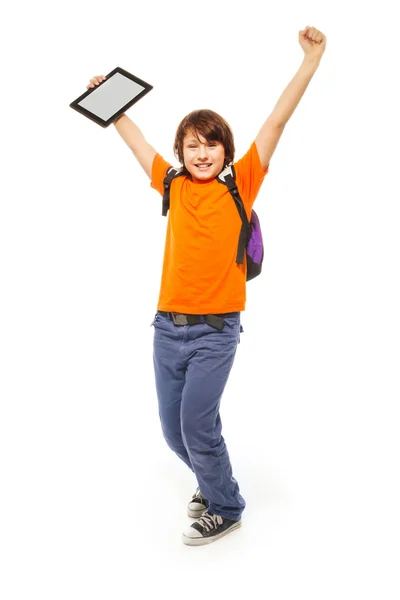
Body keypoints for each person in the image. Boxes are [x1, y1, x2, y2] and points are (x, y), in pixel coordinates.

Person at [87, 26, 327, 546]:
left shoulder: (242, 182)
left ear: (226, 150)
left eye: (211, 144)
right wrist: (108, 101)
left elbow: (277, 121)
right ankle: (209, 480)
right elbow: (134, 141)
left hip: (216, 332)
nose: (201, 153)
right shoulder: (169, 183)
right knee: (173, 431)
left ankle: (226, 504)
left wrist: (309, 61)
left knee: (197, 425)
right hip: (166, 329)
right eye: (192, 145)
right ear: (180, 150)